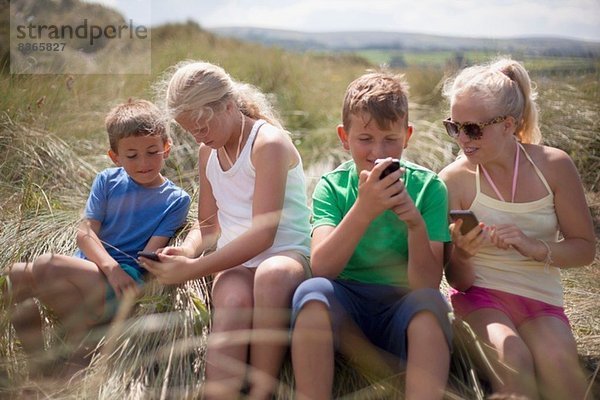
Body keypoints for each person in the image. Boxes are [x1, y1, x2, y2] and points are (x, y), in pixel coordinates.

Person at [143, 60, 311, 400]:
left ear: (229, 106)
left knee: (271, 276)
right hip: (237, 263)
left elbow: (264, 234)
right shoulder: (209, 152)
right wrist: (187, 251)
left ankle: (262, 391)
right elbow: (208, 224)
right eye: (191, 131)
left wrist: (193, 269)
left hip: (286, 256)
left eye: (202, 127)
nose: (199, 137)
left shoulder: (268, 144)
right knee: (233, 300)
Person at [290, 71, 453, 400]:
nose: (378, 151)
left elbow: (425, 285)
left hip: (401, 307)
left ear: (407, 136)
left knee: (430, 306)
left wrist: (415, 225)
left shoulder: (429, 189)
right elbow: (323, 268)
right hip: (346, 305)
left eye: (390, 139)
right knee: (312, 292)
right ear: (344, 136)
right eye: (365, 138)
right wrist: (363, 210)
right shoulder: (332, 188)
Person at [440, 57, 595, 400]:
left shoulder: (554, 166)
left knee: (560, 369)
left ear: (508, 125)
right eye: (455, 127)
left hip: (541, 300)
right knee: (515, 360)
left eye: (473, 129)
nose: (462, 139)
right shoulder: (453, 180)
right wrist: (463, 252)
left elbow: (584, 249)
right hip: (480, 298)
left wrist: (536, 247)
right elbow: (458, 281)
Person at [5, 99, 191, 376]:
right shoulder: (107, 181)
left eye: (153, 151)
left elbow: (144, 259)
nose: (144, 163)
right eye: (132, 155)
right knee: (15, 274)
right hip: (96, 268)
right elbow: (85, 234)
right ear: (115, 157)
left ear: (166, 148)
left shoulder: (175, 200)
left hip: (125, 281)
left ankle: (82, 350)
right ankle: (40, 366)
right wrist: (108, 267)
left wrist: (117, 272)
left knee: (47, 265)